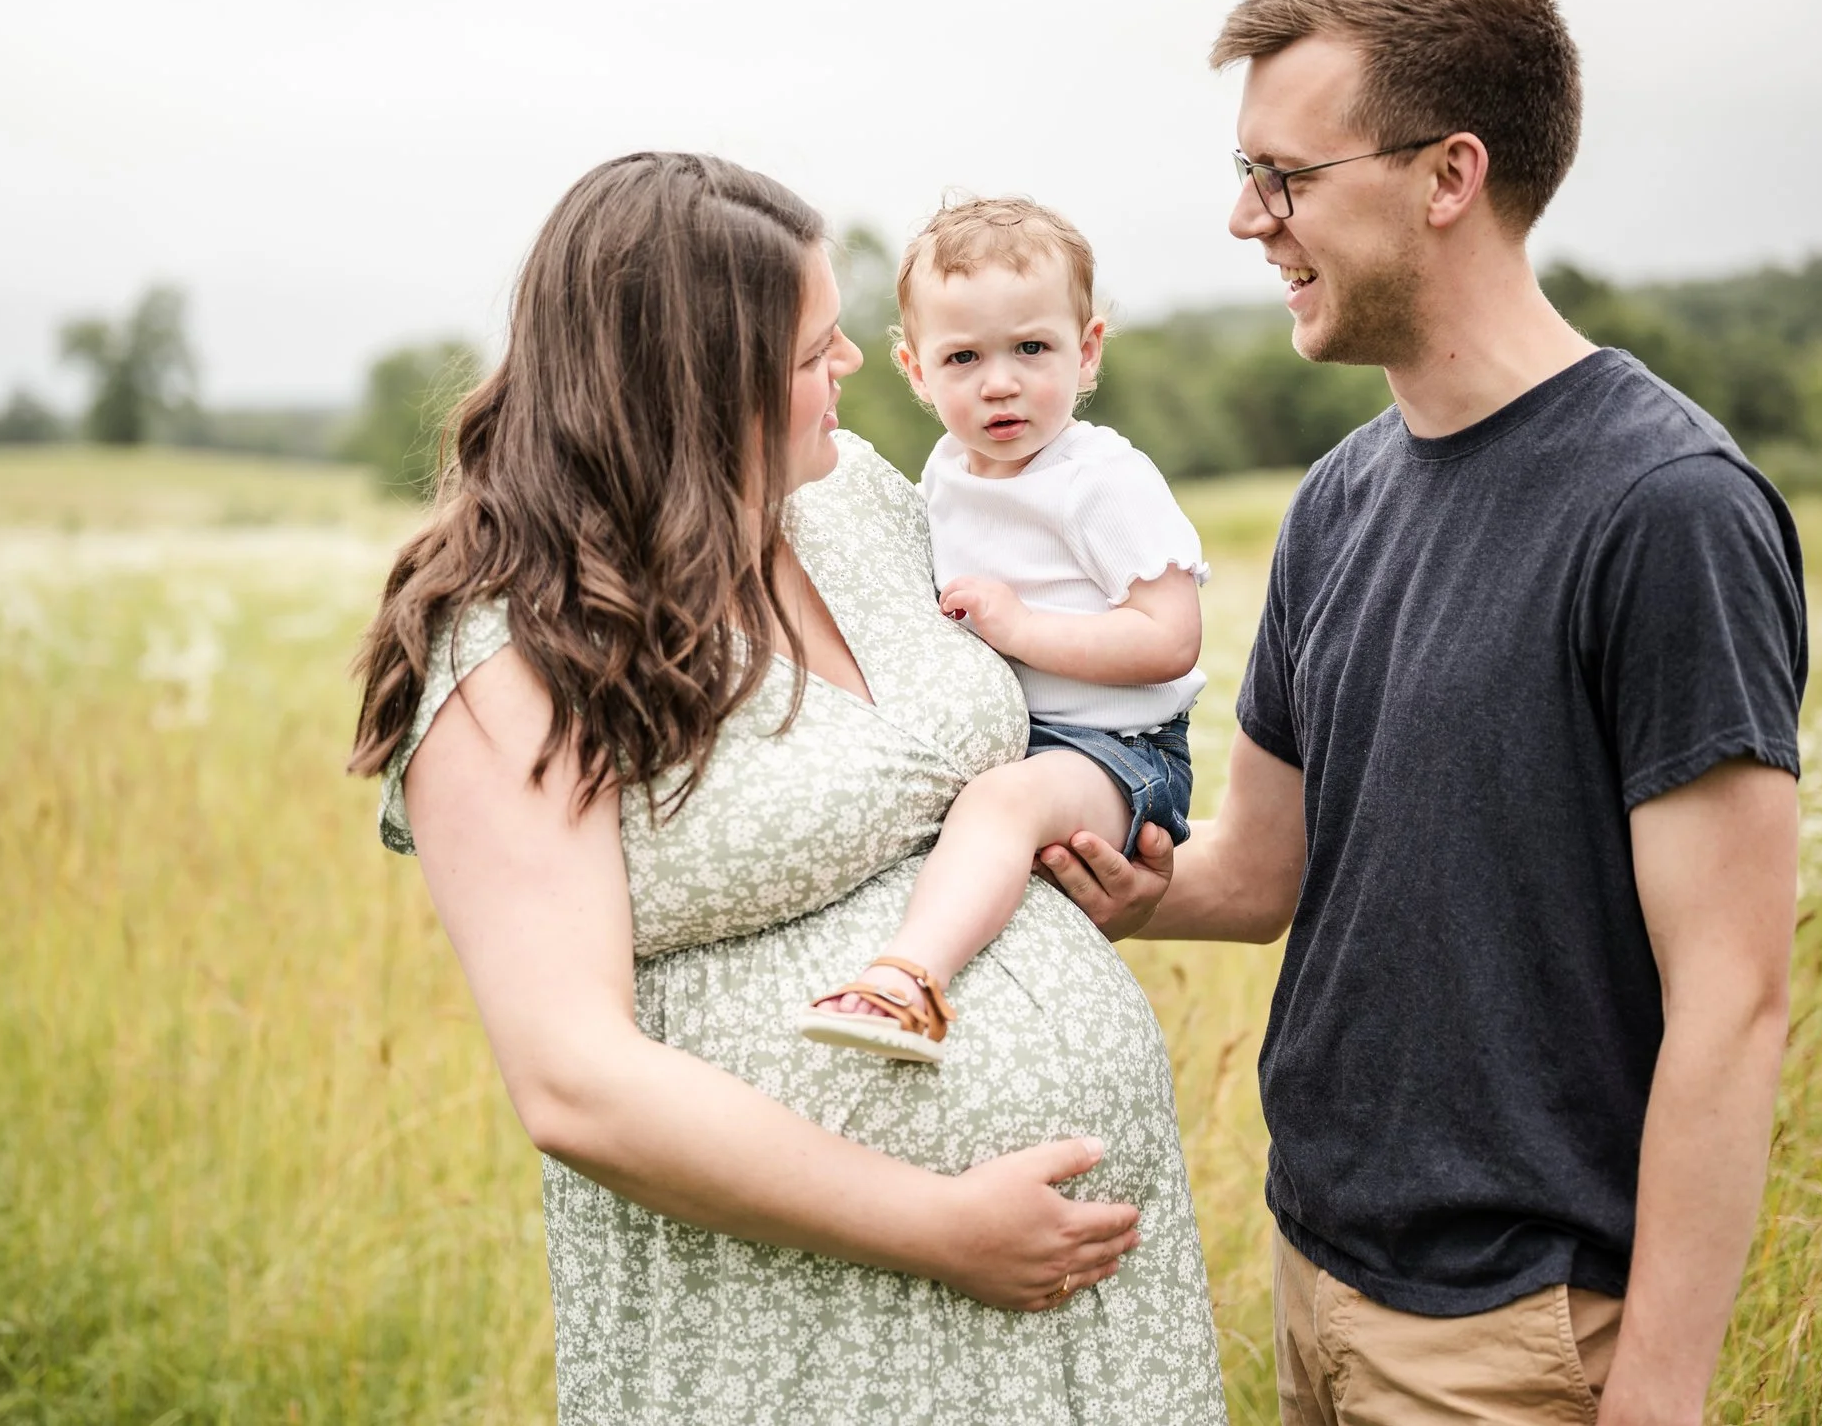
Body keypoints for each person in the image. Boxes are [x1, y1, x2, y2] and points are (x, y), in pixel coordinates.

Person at [1039, 0, 1805, 1425]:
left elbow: (1738, 996)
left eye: (1286, 176)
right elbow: (1259, 870)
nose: (1248, 218)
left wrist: (1657, 1388)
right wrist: (1057, 852)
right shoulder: (1339, 497)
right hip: (1315, 1273)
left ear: (1449, 173)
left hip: (1518, 1335)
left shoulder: (1669, 507)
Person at [350, 152, 1227, 1424]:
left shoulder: (856, 498)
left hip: (1090, 1333)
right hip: (809, 1339)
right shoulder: (512, 652)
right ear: (698, 375)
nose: (859, 368)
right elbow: (575, 1082)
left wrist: (1099, 863)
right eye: (818, 345)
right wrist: (941, 1224)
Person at [800, 197, 1205, 1063]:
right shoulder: (945, 470)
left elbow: (1169, 639)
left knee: (998, 803)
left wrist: (1020, 627)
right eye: (963, 357)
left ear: (1086, 349)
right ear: (915, 370)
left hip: (1120, 748)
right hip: (1034, 744)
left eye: (1031, 348)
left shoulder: (1100, 479)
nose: (999, 382)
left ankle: (908, 982)